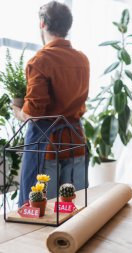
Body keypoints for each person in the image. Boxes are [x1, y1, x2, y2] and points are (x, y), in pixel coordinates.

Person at [12, 1, 90, 206]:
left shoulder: (40, 61)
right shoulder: (82, 60)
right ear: (67, 26)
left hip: (48, 149)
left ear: (42, 24)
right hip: (76, 143)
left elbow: (33, 114)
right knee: (75, 211)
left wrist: (17, 109)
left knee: (40, 216)